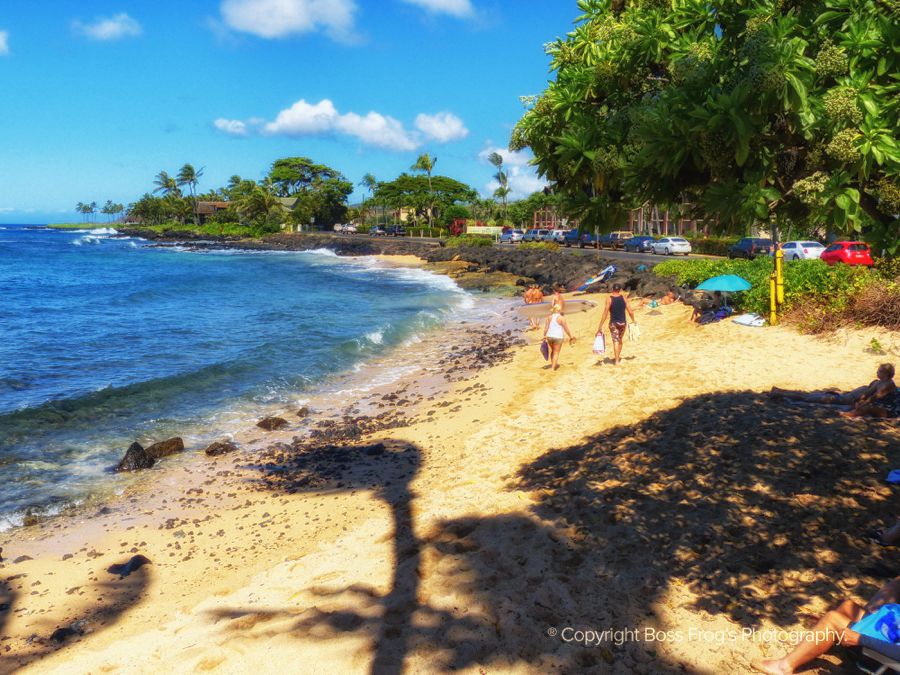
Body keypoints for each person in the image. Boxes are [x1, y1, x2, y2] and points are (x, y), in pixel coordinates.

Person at [754, 576, 900, 674]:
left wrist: (860, 639)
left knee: (832, 619)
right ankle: (817, 644)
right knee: (848, 607)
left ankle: (784, 666)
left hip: (887, 658)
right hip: (891, 635)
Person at [770, 363, 896, 413]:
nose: (877, 372)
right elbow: (868, 394)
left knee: (811, 398)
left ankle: (781, 394)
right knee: (811, 396)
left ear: (886, 373)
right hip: (850, 397)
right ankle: (781, 391)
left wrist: (860, 403)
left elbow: (874, 397)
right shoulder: (878, 382)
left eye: (879, 371)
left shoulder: (887, 384)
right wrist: (861, 400)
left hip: (847, 399)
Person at [597, 283, 636, 366]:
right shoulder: (624, 298)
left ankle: (617, 360)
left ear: (612, 289)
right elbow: (630, 311)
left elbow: (605, 312)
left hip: (613, 323)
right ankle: (617, 357)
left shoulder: (609, 299)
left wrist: (600, 326)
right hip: (623, 323)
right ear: (620, 290)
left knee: (615, 341)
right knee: (620, 340)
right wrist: (634, 320)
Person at [542, 303, 575, 371]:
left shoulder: (549, 317)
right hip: (558, 337)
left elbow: (546, 328)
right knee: (556, 352)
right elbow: (566, 329)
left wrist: (544, 335)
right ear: (559, 310)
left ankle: (553, 364)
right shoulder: (561, 318)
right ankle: (553, 368)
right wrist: (571, 336)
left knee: (552, 351)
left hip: (550, 336)